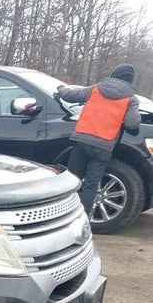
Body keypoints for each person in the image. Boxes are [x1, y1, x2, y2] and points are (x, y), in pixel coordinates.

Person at [55, 64, 141, 216]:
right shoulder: (130, 99)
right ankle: (81, 216)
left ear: (114, 74)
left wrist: (61, 88)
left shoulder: (96, 89)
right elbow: (132, 124)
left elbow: (70, 95)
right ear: (130, 80)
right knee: (91, 184)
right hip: (103, 146)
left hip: (82, 140)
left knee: (72, 180)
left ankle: (63, 214)